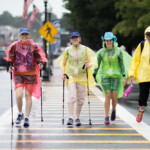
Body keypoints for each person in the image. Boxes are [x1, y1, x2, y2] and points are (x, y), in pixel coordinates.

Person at [6, 28, 47, 127]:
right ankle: (20, 113)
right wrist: (10, 65)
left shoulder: (34, 46)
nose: (24, 36)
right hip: (18, 73)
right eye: (22, 35)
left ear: (29, 36)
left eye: (26, 35)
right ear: (19, 36)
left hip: (30, 73)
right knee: (19, 95)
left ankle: (27, 117)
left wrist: (40, 63)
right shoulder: (15, 45)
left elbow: (38, 57)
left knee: (28, 96)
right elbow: (10, 57)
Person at [59, 31, 97, 127]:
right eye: (73, 38)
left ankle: (77, 117)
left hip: (82, 76)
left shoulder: (85, 49)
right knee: (72, 96)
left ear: (79, 39)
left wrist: (89, 65)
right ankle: (70, 117)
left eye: (76, 37)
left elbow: (91, 61)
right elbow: (62, 64)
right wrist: (63, 73)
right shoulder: (67, 50)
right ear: (71, 40)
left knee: (80, 99)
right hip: (71, 76)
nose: (75, 39)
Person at [93, 32, 131, 125]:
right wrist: (94, 75)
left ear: (113, 41)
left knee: (114, 97)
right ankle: (106, 116)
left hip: (116, 76)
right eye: (107, 40)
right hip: (105, 76)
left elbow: (122, 64)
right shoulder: (101, 52)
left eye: (110, 40)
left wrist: (123, 76)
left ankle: (113, 110)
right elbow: (97, 65)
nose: (108, 42)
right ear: (104, 41)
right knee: (107, 96)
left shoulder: (118, 51)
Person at [129, 26, 150, 123]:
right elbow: (135, 61)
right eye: (148, 35)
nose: (149, 37)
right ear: (145, 35)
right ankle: (141, 110)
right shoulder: (142, 45)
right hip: (144, 75)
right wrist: (132, 74)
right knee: (143, 97)